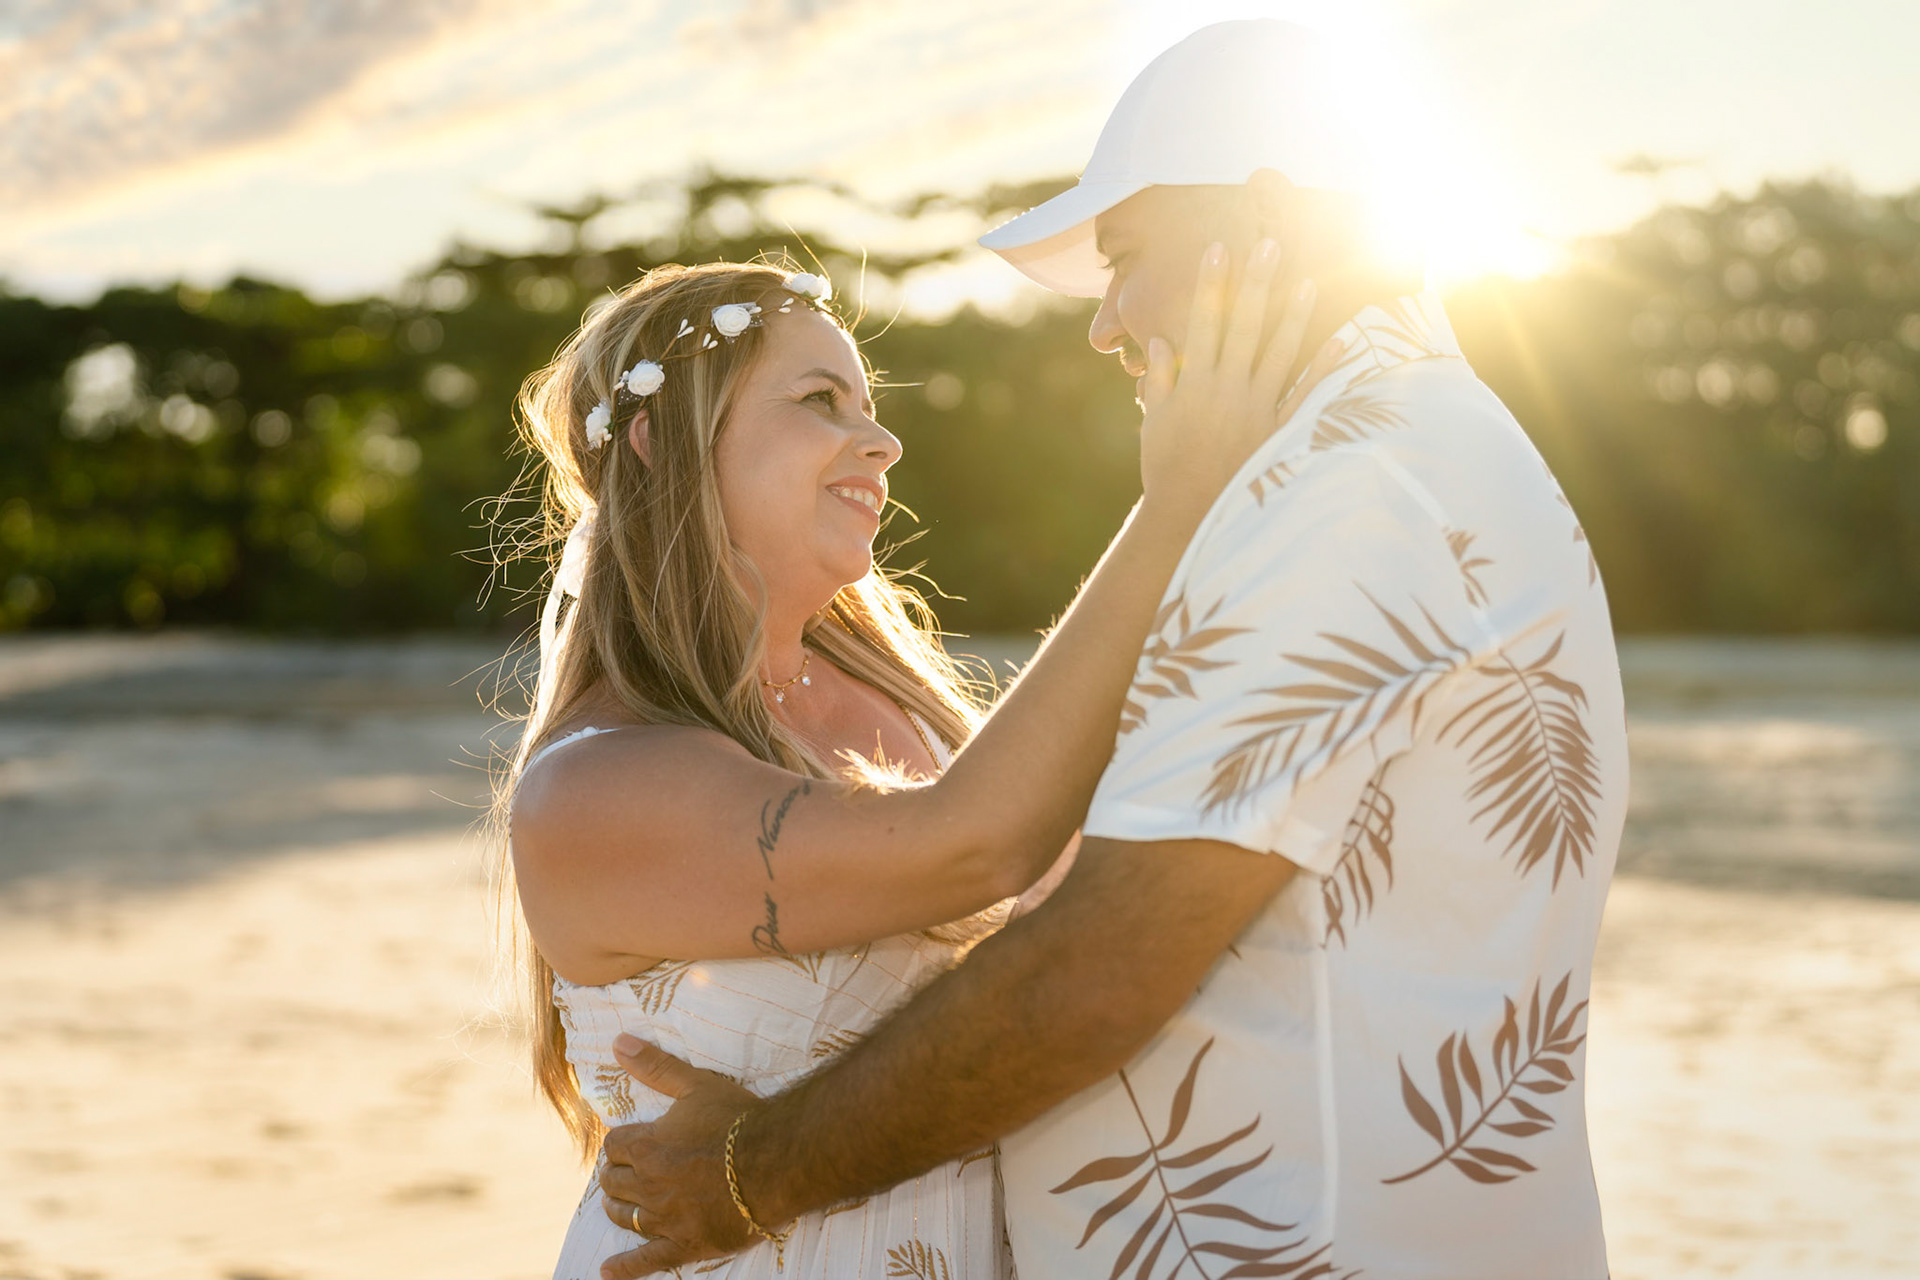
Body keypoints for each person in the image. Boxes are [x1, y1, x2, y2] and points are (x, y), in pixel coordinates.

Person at [593, 19, 1627, 1280]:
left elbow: (1106, 956)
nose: (1107, 324)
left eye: (1126, 257)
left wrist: (755, 1172)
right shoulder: (1403, 457)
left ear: (1269, 223)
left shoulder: (1345, 492)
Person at [497, 250, 1314, 1280]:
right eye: (821, 400)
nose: (880, 440)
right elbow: (977, 848)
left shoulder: (900, 702)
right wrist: (1180, 499)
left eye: (868, 404)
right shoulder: (593, 788)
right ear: (662, 443)